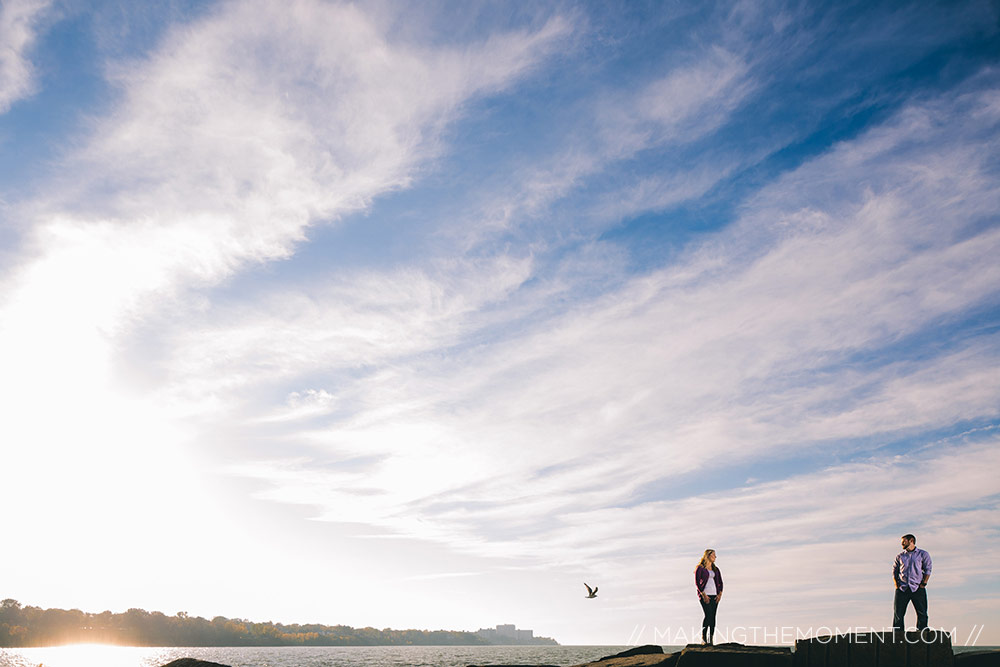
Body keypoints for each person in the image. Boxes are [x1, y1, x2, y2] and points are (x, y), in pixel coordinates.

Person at [892, 534, 932, 631]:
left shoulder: (923, 554)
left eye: (904, 541)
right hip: (902, 588)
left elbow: (928, 569)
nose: (902, 543)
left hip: (917, 587)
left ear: (911, 541)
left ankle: (922, 630)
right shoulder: (900, 556)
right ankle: (898, 632)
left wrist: (924, 583)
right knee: (898, 613)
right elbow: (895, 571)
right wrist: (896, 585)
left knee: (922, 611)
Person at [694, 548, 723, 645]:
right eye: (714, 555)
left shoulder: (716, 569)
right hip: (705, 595)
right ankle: (704, 638)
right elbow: (697, 583)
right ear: (708, 555)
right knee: (708, 615)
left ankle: (711, 639)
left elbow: (720, 583)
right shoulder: (700, 568)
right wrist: (703, 594)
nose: (715, 557)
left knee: (713, 617)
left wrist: (720, 594)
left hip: (715, 596)